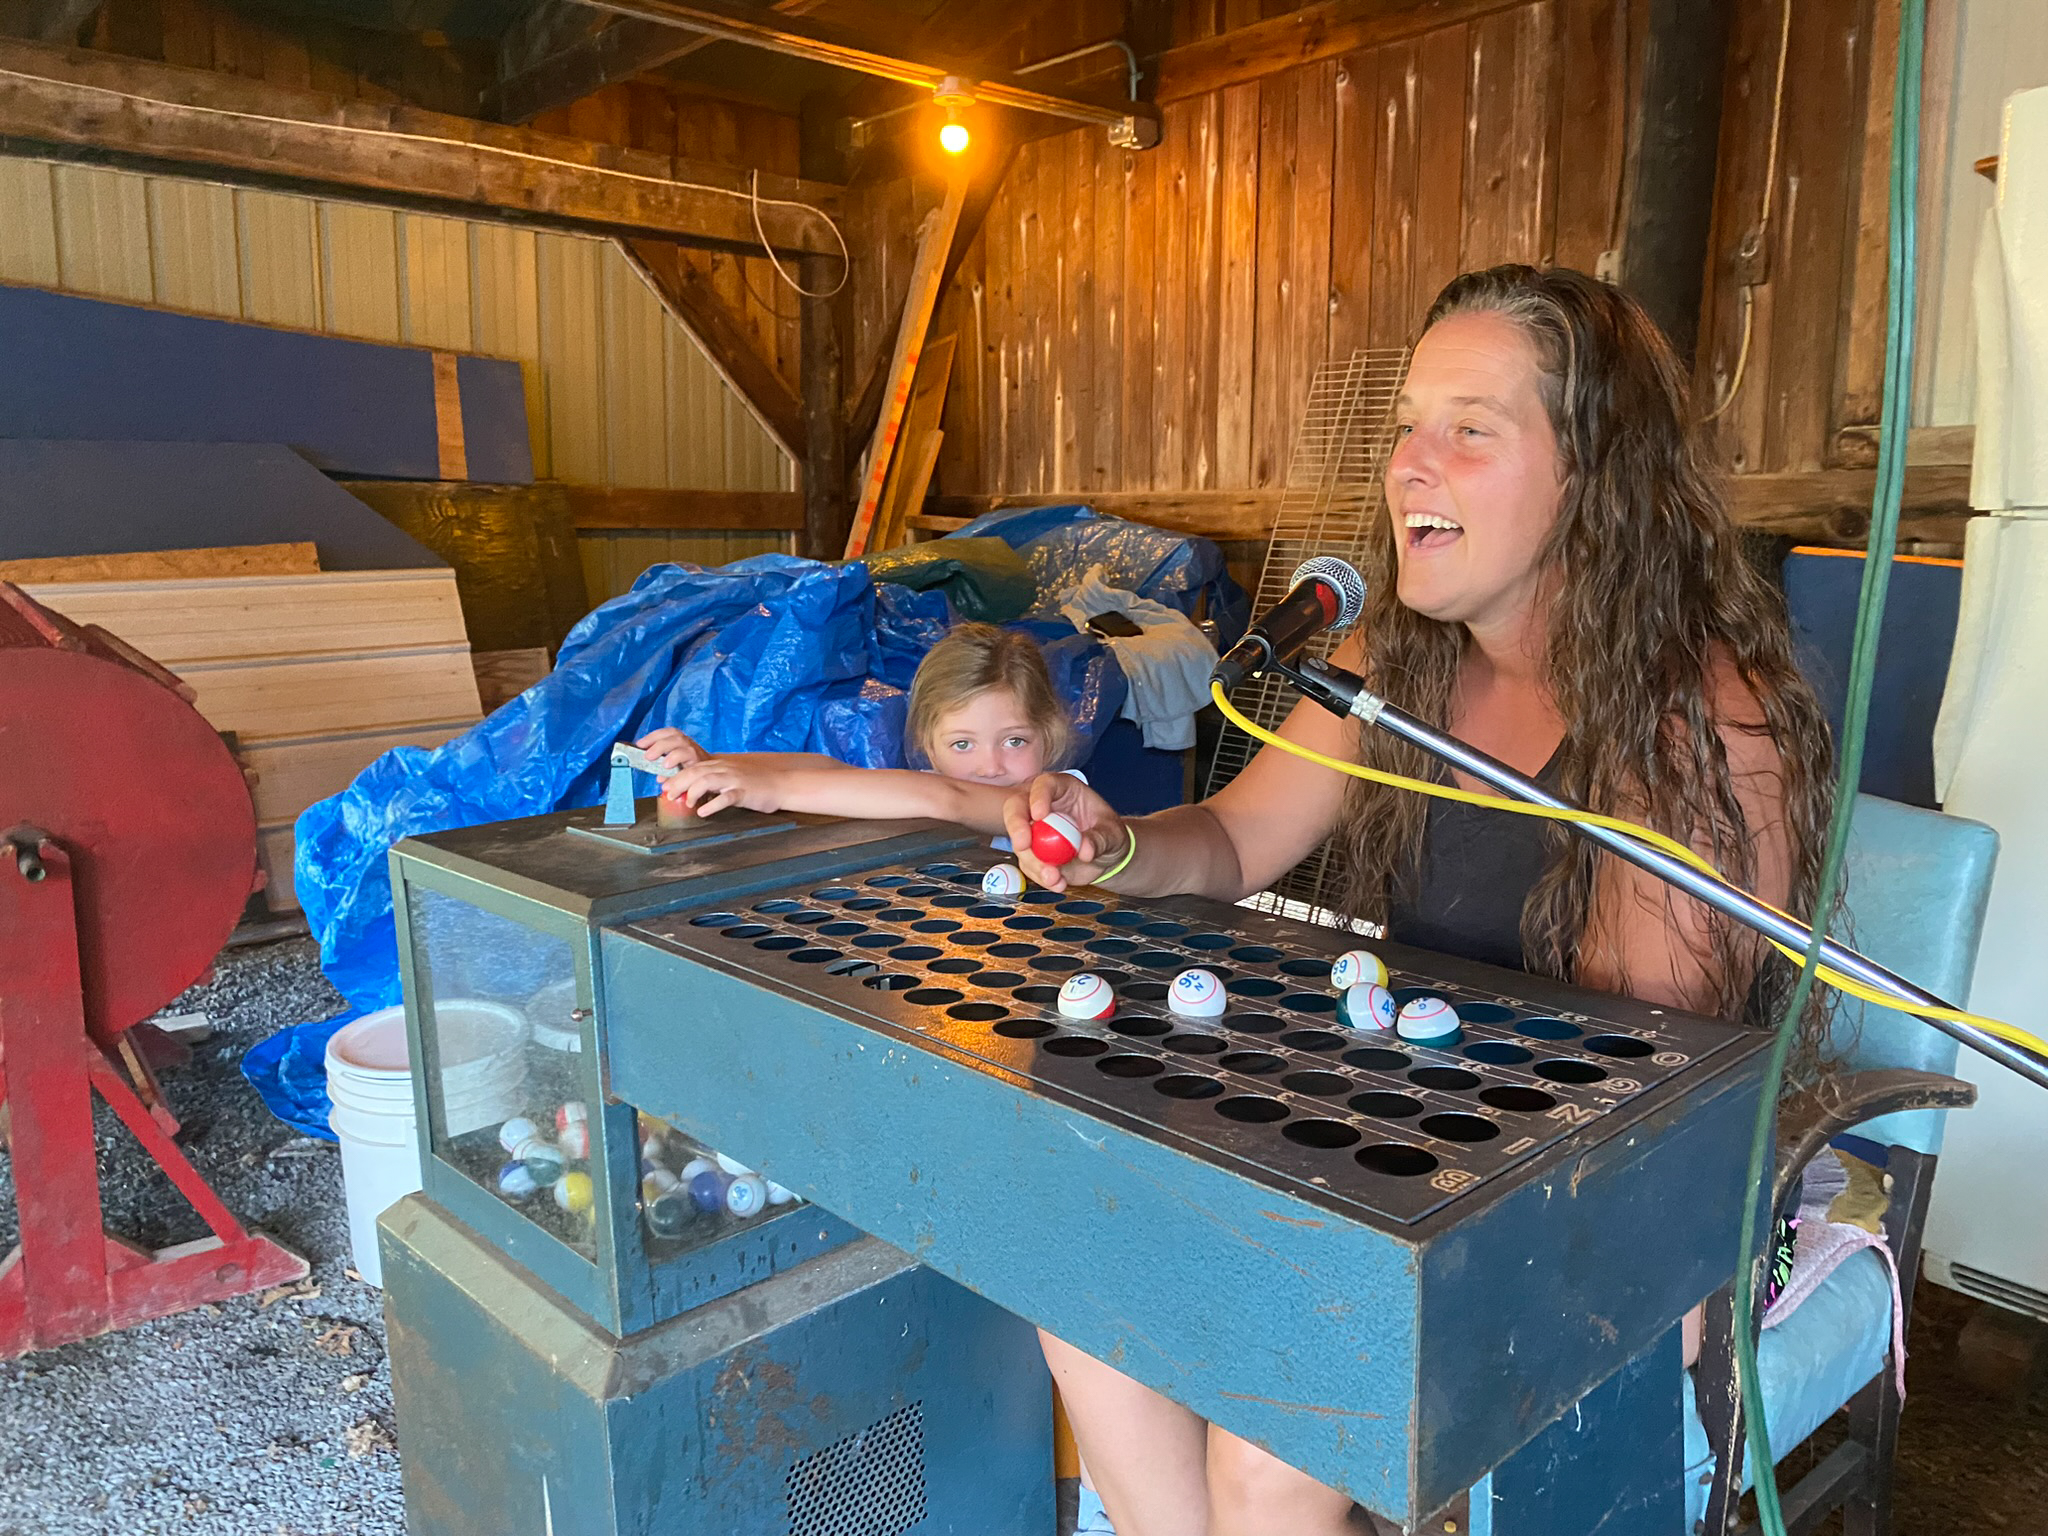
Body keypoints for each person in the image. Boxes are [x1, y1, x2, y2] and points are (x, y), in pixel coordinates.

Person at [1000, 265, 1837, 1536]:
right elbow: (1230, 840)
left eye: (1468, 429)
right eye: (1404, 424)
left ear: (1592, 477)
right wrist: (1115, 846)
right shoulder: (1391, 659)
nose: (1407, 464)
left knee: (1272, 1446)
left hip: (1625, 1202)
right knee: (1092, 1310)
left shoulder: (1697, 729)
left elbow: (1609, 1103)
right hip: (1416, 1137)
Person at [638, 620, 1077, 830]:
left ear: (1050, 732)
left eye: (1015, 740)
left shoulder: (1056, 802)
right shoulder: (930, 785)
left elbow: (948, 798)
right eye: (962, 744)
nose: (990, 766)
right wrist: (715, 764)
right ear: (927, 740)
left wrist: (777, 791)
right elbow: (839, 774)